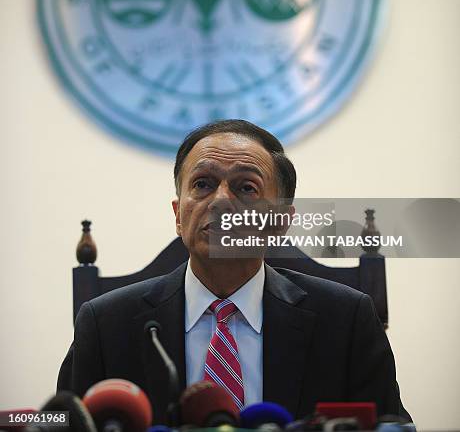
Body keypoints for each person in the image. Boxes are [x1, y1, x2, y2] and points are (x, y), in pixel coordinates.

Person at [58, 119, 410, 423]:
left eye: (246, 188)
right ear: (179, 214)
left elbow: (391, 426)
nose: (221, 201)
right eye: (203, 184)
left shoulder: (347, 321)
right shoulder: (106, 326)